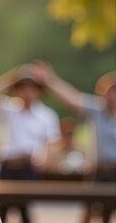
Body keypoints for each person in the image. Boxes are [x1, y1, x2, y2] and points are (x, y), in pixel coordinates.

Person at [0, 63, 61, 223]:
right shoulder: (9, 109)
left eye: (32, 88)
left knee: (25, 210)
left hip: (29, 167)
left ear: (38, 92)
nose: (27, 93)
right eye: (23, 88)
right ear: (16, 90)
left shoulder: (46, 115)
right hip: (7, 166)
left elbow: (51, 143)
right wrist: (13, 77)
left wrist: (44, 160)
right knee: (0, 210)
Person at [38, 65, 116, 222]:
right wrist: (50, 81)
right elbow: (72, 98)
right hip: (99, 172)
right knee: (88, 209)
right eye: (110, 91)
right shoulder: (97, 110)